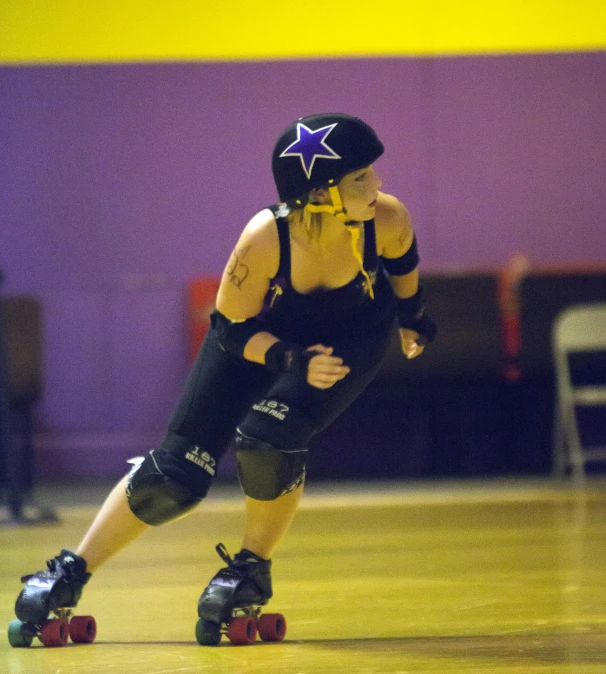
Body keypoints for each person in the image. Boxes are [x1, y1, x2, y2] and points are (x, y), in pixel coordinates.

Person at [10, 112, 436, 647]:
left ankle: (250, 568)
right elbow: (231, 329)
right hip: (258, 339)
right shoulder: (265, 239)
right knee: (174, 474)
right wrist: (289, 359)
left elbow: (404, 266)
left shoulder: (387, 217)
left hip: (349, 337)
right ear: (317, 194)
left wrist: (416, 317)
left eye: (372, 173)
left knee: (268, 438)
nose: (377, 185)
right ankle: (72, 569)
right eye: (359, 179)